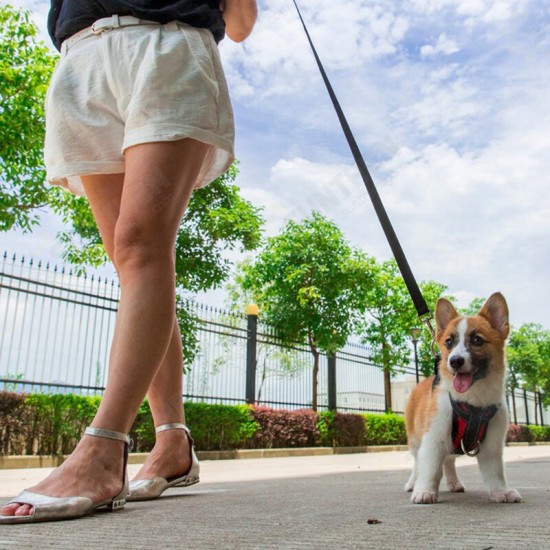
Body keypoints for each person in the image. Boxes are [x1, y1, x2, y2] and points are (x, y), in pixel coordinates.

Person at [0, 0, 258, 524]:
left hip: (165, 46)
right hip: (80, 60)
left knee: (142, 243)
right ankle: (173, 441)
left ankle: (102, 449)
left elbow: (240, 23)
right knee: (130, 260)